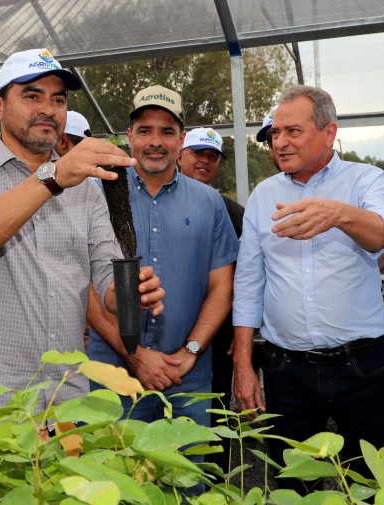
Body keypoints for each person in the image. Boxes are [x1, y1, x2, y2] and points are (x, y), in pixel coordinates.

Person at [0, 49, 165, 412]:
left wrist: (129, 295)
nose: (48, 108)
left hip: (65, 403)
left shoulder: (85, 185)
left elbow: (106, 271)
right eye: (32, 96)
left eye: (58, 99)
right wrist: (53, 177)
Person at [231, 85, 384, 491]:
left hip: (361, 367)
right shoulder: (264, 195)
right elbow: (249, 281)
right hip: (286, 371)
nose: (280, 141)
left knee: (369, 485)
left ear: (329, 133)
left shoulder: (364, 179)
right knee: (293, 487)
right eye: (275, 133)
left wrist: (339, 213)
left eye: (293, 130)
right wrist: (243, 364)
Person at [87, 85, 239, 438]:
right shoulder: (97, 193)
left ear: (181, 139)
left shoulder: (210, 202)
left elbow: (221, 287)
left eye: (167, 131)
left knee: (187, 484)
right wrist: (136, 355)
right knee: (114, 486)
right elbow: (84, 287)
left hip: (187, 377)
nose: (155, 141)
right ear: (129, 137)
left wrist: (191, 352)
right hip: (114, 376)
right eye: (145, 131)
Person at [177, 126, 243, 475]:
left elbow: (244, 276)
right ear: (180, 154)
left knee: (213, 419)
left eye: (213, 156)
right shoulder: (149, 201)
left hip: (214, 338)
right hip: (161, 332)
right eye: (198, 153)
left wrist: (238, 329)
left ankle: (215, 487)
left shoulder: (232, 211)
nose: (205, 161)